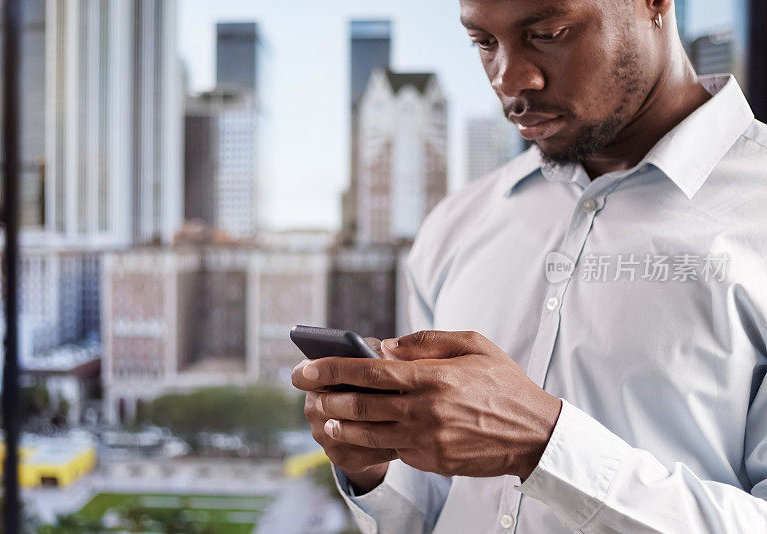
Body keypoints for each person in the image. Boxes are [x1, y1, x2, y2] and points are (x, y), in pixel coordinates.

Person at [292, 0, 767, 531]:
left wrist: (542, 444)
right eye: (484, 43)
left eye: (548, 32)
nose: (509, 79)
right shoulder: (456, 224)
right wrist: (374, 463)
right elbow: (425, 512)